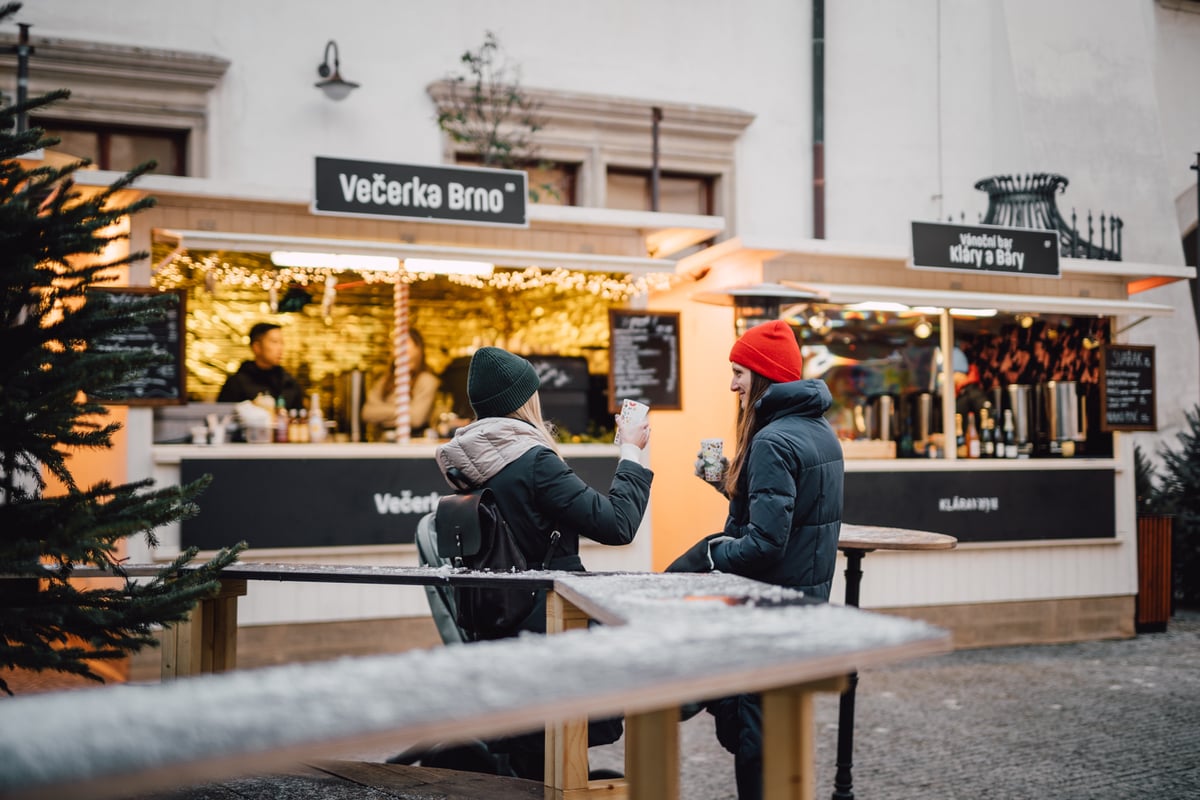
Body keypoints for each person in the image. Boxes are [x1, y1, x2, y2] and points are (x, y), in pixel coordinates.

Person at [432, 345, 653, 779]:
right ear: (524, 400)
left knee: (528, 762)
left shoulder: (469, 462)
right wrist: (631, 451)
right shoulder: (534, 461)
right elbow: (617, 524)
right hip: (553, 630)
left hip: (500, 627)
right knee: (560, 759)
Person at [667, 319, 844, 800]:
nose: (732, 384)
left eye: (739, 372)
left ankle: (684, 692)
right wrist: (729, 480)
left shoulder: (771, 440)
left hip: (767, 612)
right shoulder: (819, 431)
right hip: (802, 607)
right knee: (774, 737)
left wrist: (711, 552)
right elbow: (794, 511)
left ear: (763, 374)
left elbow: (765, 545)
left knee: (756, 747)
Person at [362, 329, 440, 434]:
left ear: (418, 348)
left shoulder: (427, 380)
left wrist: (383, 415)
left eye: (405, 343)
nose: (399, 348)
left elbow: (416, 418)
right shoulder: (384, 382)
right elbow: (367, 413)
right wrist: (404, 411)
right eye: (396, 345)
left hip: (414, 443)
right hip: (384, 443)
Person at [216, 322, 304, 408]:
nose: (280, 348)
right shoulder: (237, 383)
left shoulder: (288, 383)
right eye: (274, 342)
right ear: (257, 347)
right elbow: (221, 416)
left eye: (282, 342)